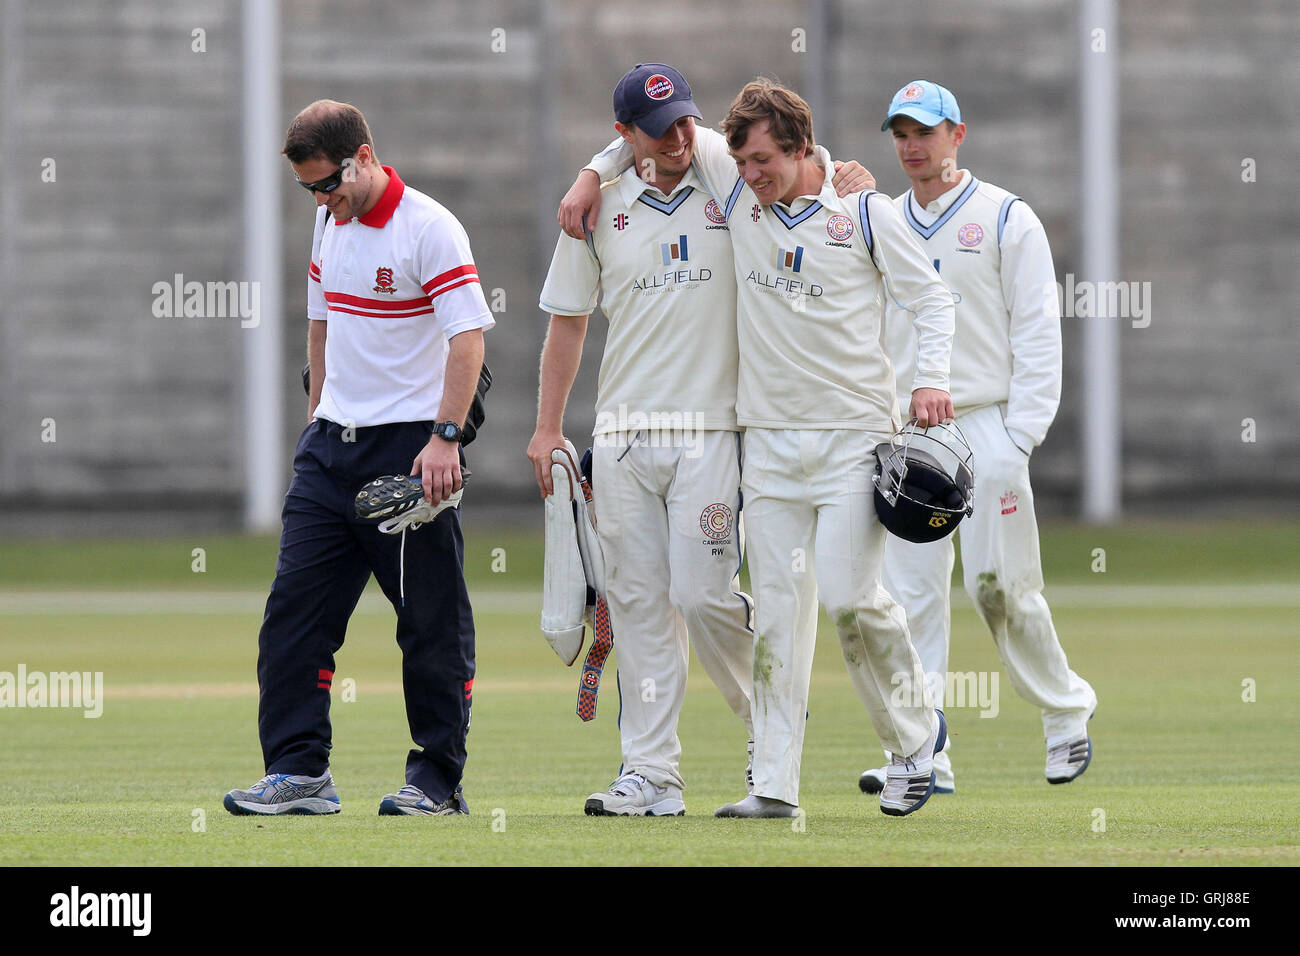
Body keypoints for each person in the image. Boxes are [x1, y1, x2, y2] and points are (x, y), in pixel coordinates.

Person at [574, 78, 955, 818]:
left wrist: (931, 382)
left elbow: (934, 300)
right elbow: (648, 138)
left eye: (764, 163)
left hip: (852, 439)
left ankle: (916, 738)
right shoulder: (733, 183)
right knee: (778, 617)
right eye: (741, 163)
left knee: (850, 600)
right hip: (769, 446)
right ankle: (774, 787)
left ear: (804, 149)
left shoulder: (865, 210)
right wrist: (592, 174)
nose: (748, 178)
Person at [536, 64, 869, 816]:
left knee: (701, 592)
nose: (683, 136)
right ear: (626, 135)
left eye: (687, 120)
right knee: (641, 602)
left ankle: (770, 729)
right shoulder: (599, 207)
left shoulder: (726, 176)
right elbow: (567, 320)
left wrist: (849, 179)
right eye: (662, 129)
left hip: (713, 430)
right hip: (622, 432)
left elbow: (789, 160)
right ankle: (652, 776)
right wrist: (548, 428)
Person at [224, 100, 493, 817]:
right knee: (293, 617)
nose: (322, 199)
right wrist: (317, 415)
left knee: (429, 622)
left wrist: (445, 438)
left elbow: (467, 340)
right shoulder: (327, 219)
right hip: (329, 450)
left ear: (365, 155)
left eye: (329, 183)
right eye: (310, 189)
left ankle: (437, 780)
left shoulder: (430, 228)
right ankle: (299, 772)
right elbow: (320, 318)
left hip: (407, 452)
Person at [858, 81, 1096, 796]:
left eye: (925, 131)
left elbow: (1036, 330)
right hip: (910, 438)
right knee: (906, 601)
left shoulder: (1005, 218)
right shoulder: (880, 220)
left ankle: (1064, 715)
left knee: (1000, 588)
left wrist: (1018, 438)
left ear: (958, 134)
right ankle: (923, 747)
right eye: (900, 132)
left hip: (989, 424)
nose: (911, 145)